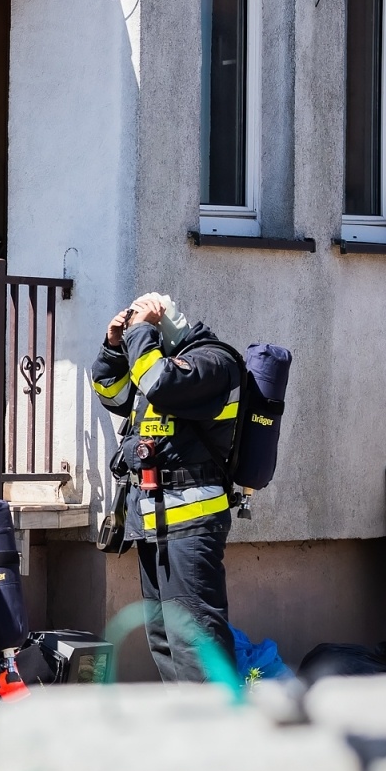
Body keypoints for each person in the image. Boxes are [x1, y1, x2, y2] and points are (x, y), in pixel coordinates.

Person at [91, 292, 243, 682]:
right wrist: (113, 347)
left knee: (194, 639)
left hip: (191, 525)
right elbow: (113, 393)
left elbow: (160, 383)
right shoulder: (154, 364)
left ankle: (219, 734)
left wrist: (142, 331)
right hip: (154, 522)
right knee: (163, 640)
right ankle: (186, 731)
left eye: (147, 329)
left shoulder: (213, 362)